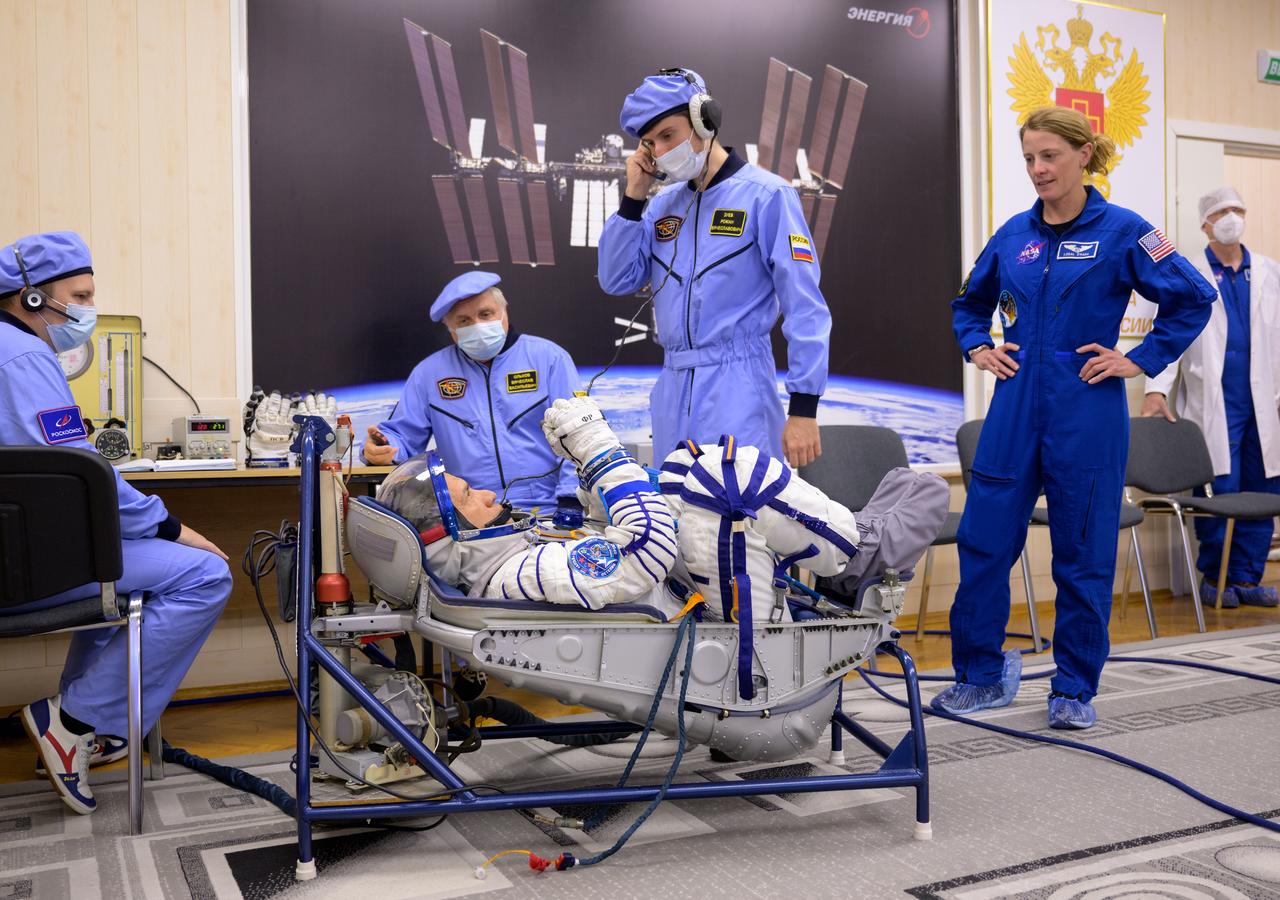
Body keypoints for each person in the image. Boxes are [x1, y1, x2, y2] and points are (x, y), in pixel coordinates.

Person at [939, 106, 1216, 730]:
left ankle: (1073, 688)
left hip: (1087, 407)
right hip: (1013, 409)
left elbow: (1194, 296)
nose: (1038, 169)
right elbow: (968, 303)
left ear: (1083, 154)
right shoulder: (1013, 235)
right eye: (1030, 159)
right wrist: (978, 347)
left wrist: (1138, 359)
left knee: (1083, 553)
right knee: (984, 544)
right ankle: (980, 675)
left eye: (1050, 156)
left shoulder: (1126, 231)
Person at [0, 232, 232, 815]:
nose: (86, 311)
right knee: (204, 574)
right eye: (78, 296)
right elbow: (81, 475)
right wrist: (171, 526)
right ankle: (73, 721)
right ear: (30, 299)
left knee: (125, 579)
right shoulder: (24, 358)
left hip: (19, 555)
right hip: (18, 572)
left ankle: (77, 725)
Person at [379, 396, 948, 626]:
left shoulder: (506, 557)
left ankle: (853, 545)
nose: (486, 494)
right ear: (451, 531)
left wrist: (589, 477)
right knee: (728, 473)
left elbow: (608, 539)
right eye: (466, 498)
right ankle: (858, 554)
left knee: (682, 467)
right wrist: (603, 456)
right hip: (707, 625)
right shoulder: (516, 573)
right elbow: (644, 550)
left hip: (686, 597)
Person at [597, 68, 831, 468]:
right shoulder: (661, 207)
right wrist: (635, 196)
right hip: (673, 387)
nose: (661, 150)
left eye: (668, 135)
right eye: (651, 143)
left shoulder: (767, 196)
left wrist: (804, 408)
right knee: (678, 513)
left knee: (743, 519)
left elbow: (804, 305)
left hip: (738, 385)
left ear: (705, 121)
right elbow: (616, 279)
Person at [1141, 188, 1280, 609]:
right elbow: (1168, 337)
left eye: (1237, 209)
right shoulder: (1189, 275)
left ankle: (1246, 578)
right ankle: (1215, 577)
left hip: (1264, 406)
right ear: (1205, 223)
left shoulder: (1271, 273)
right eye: (1222, 211)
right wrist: (1155, 390)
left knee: (1263, 491)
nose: (1232, 217)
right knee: (1218, 490)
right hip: (1215, 402)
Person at [361, 271, 584, 526]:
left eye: (486, 314)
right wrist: (381, 448)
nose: (477, 325)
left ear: (504, 312)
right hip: (471, 517)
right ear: (451, 329)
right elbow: (402, 437)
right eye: (464, 320)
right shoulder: (429, 374)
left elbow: (576, 434)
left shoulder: (549, 359)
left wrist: (570, 499)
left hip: (548, 510)